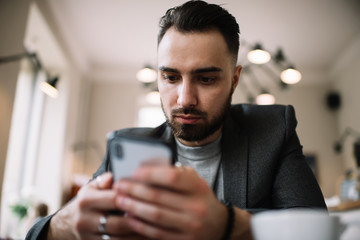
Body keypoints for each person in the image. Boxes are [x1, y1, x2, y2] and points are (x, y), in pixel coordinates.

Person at [26, 1, 326, 239]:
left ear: (234, 80)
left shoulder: (274, 129)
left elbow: (317, 230)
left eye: (206, 78)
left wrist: (227, 225)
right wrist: (65, 223)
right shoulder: (125, 146)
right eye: (170, 77)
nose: (184, 99)